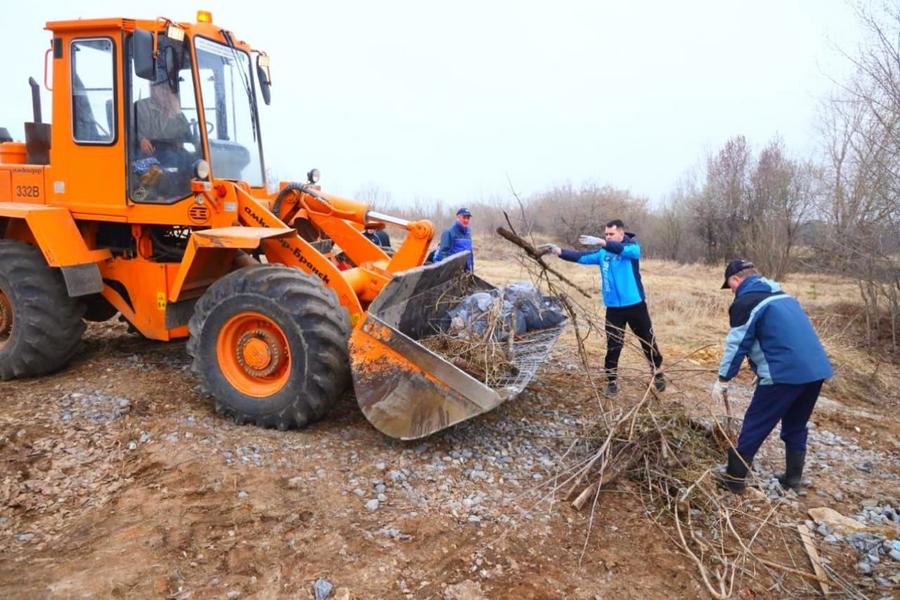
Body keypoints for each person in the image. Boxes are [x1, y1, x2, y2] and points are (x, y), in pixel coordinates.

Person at [712, 259, 833, 493]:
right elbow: (782, 337)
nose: (732, 292)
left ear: (736, 280)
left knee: (755, 423)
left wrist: (723, 379)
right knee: (796, 425)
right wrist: (760, 369)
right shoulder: (784, 297)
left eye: (730, 286)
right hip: (816, 372)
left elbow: (737, 345)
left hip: (783, 374)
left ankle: (734, 481)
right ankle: (792, 479)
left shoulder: (745, 302)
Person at [543, 219, 665, 396]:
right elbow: (581, 257)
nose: (607, 237)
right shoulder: (603, 254)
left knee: (647, 340)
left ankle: (658, 372)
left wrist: (602, 242)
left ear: (621, 234)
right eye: (605, 234)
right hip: (614, 309)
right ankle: (612, 381)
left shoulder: (632, 248)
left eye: (611, 234)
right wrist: (558, 251)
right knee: (614, 345)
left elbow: (622, 250)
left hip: (636, 306)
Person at [135, 80, 192, 167]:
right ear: (153, 89)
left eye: (168, 90)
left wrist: (178, 112)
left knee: (195, 159)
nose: (166, 93)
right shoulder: (141, 106)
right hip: (151, 152)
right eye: (162, 89)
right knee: (173, 159)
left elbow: (187, 134)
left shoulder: (173, 109)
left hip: (172, 150)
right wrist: (141, 139)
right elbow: (136, 132)